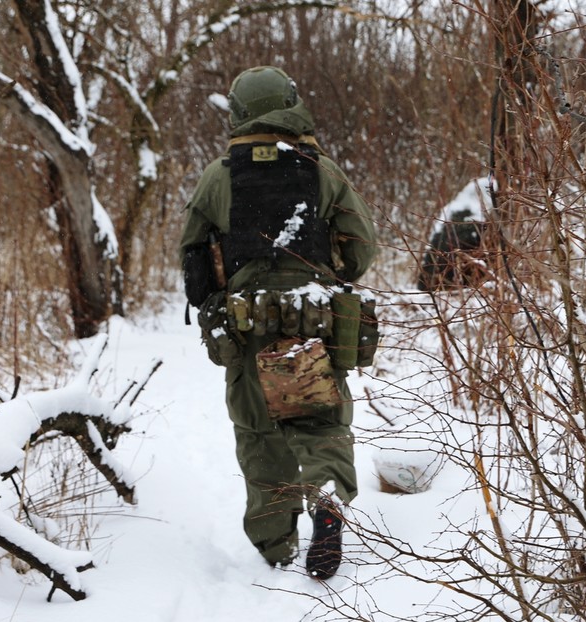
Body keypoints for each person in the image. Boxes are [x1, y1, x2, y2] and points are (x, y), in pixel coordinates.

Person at [179, 66, 377, 579]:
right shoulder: (321, 169)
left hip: (246, 322)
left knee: (258, 430)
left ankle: (275, 547)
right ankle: (326, 498)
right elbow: (362, 248)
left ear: (240, 113)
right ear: (291, 105)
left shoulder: (219, 174)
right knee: (320, 421)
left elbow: (193, 255)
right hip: (313, 315)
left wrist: (215, 296)